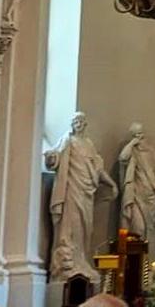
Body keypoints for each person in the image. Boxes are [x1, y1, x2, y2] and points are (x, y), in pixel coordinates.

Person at [46, 111, 116, 280]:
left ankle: (81, 260)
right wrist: (50, 158)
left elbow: (97, 169)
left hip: (87, 191)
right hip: (72, 189)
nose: (78, 123)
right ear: (72, 124)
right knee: (71, 225)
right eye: (75, 120)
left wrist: (111, 183)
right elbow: (54, 157)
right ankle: (66, 264)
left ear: (85, 124)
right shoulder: (68, 140)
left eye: (81, 120)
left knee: (86, 227)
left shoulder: (89, 144)